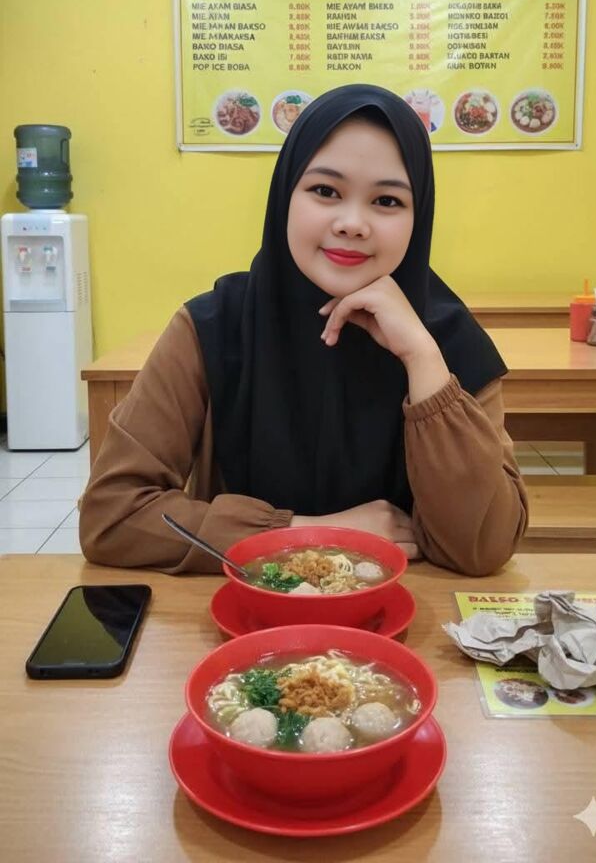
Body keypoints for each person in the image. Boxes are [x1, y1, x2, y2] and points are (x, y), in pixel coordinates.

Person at [79, 84, 528, 576]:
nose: (352, 223)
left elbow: (484, 548)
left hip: (407, 613)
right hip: (245, 611)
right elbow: (111, 515)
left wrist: (422, 359)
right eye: (325, 191)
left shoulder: (448, 341)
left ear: (418, 219)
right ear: (284, 198)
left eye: (387, 200)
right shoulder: (214, 328)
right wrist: (305, 534)